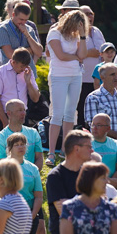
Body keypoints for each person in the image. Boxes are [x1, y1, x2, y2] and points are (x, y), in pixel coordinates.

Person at [46, 9, 88, 160]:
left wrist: (83, 36)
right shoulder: (54, 33)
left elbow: (83, 55)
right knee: (57, 114)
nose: (78, 29)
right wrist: (76, 58)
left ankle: (65, 150)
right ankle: (51, 152)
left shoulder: (76, 35)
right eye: (78, 26)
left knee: (70, 113)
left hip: (75, 76)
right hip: (59, 76)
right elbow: (61, 56)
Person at [6, 133, 46, 234]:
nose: (20, 147)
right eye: (17, 145)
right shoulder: (2, 166)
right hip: (8, 216)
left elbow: (38, 197)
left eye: (23, 144)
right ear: (9, 148)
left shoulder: (33, 168)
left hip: (29, 216)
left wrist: (31, 216)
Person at [0, 47, 41, 135]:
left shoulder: (28, 72)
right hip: (4, 115)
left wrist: (28, 82)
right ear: (13, 62)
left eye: (26, 66)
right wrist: (5, 122)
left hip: (22, 116)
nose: (23, 68)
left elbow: (35, 98)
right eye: (21, 66)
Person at [85, 64, 117, 142]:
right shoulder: (93, 97)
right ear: (102, 77)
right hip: (102, 143)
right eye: (112, 74)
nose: (116, 77)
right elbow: (93, 124)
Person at [0, 98, 43, 166]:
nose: (24, 113)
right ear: (9, 113)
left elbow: (39, 158)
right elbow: (0, 164)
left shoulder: (33, 133)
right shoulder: (0, 138)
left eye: (24, 110)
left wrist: (32, 173)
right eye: (20, 110)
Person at [77, 5, 107, 122]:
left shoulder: (97, 31)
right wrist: (91, 53)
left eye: (91, 14)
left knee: (97, 110)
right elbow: (77, 53)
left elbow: (103, 50)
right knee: (82, 110)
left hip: (98, 79)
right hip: (82, 79)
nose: (89, 17)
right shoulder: (76, 32)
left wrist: (89, 53)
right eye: (86, 14)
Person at [0, 2, 43, 74]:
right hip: (10, 73)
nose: (23, 23)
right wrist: (30, 50)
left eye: (26, 20)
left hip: (28, 73)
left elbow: (39, 52)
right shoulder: (3, 29)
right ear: (13, 15)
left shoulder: (29, 29)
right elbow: (10, 54)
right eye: (21, 19)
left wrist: (27, 35)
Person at [90, 113, 117, 189]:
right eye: (93, 125)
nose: (94, 128)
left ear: (108, 129)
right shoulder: (85, 143)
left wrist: (109, 185)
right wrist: (107, 181)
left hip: (111, 188)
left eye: (98, 125)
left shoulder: (116, 144)